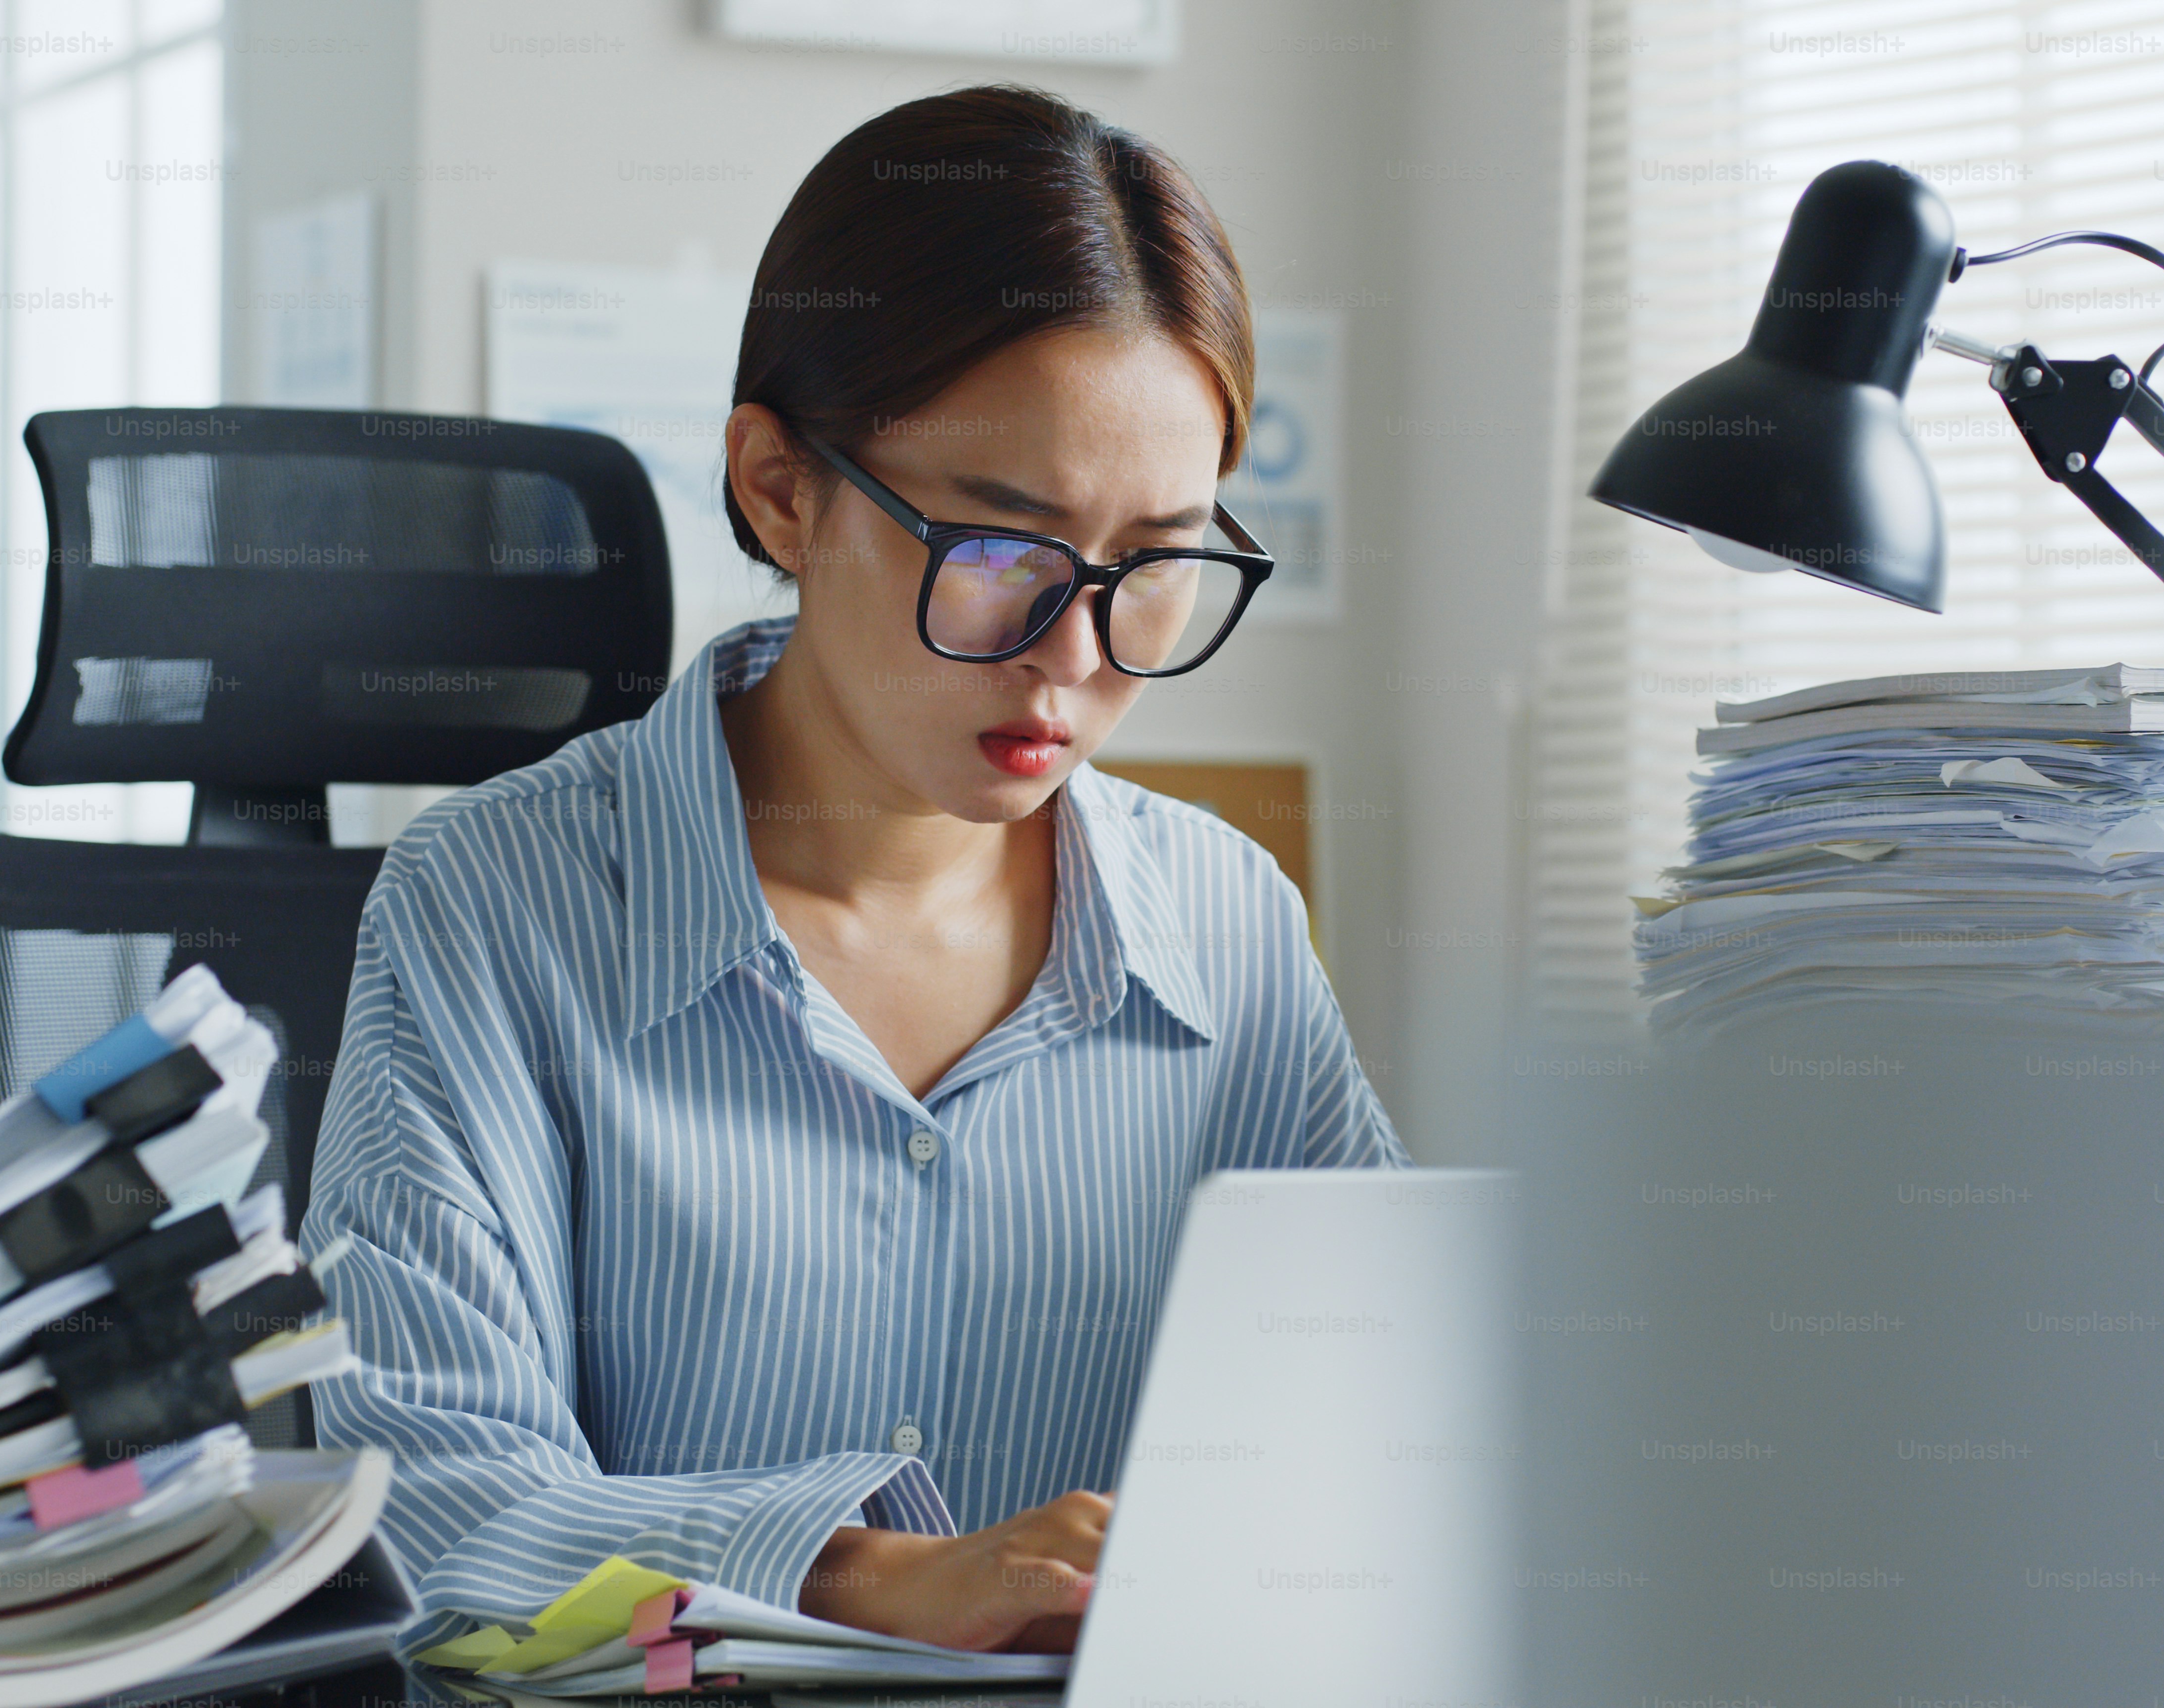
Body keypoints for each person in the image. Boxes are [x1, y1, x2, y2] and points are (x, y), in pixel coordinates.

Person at [301, 84, 1407, 1662]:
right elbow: (424, 1503)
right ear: (781, 489)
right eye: (1001, 554)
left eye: (1153, 568)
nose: (1077, 664)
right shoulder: (494, 903)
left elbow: (1393, 1434)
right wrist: (869, 1576)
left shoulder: (1228, 929)